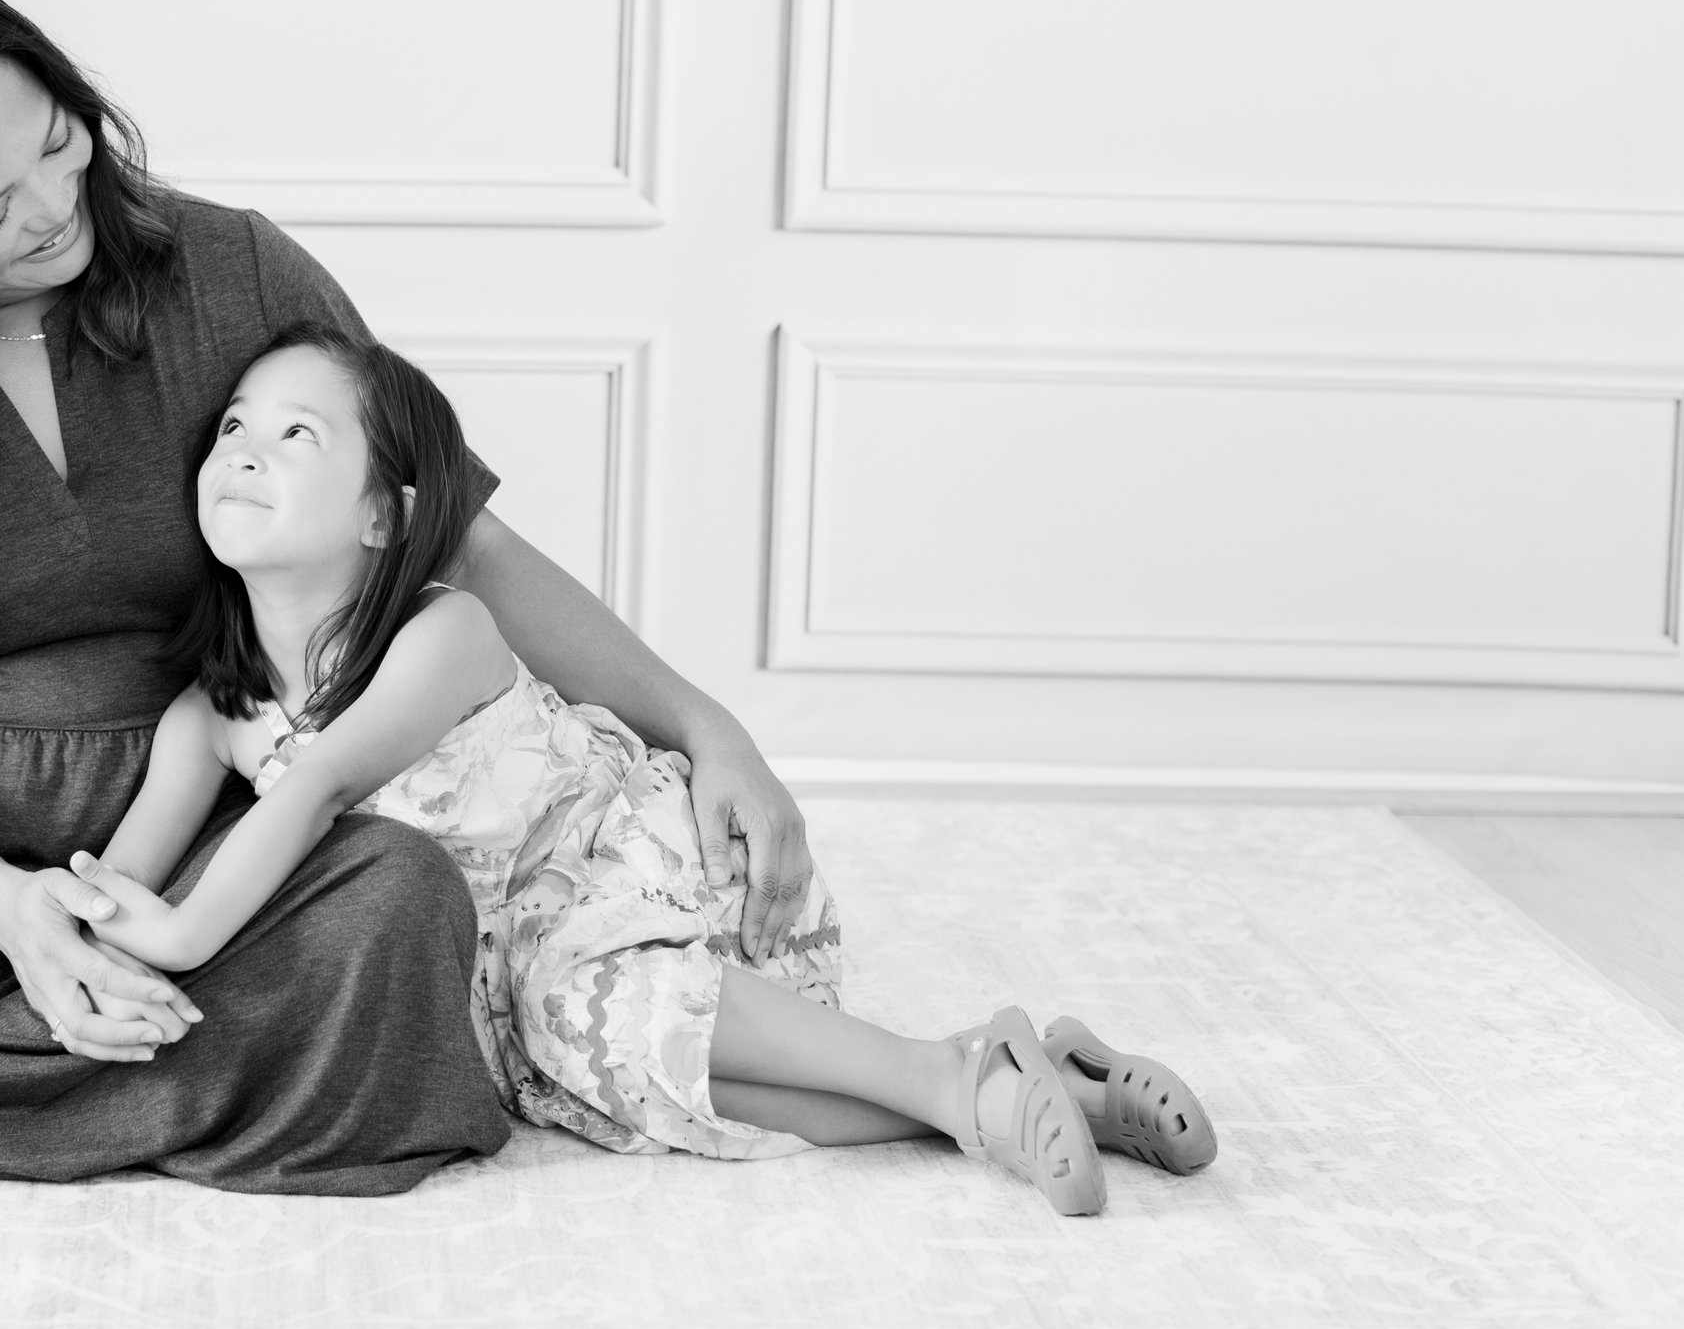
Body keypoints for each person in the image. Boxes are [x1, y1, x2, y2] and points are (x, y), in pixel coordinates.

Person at [0, 0, 826, 1212]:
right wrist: (16, 911)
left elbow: (446, 533)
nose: (50, 206)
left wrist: (703, 722)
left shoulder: (229, 271)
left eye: (55, 143)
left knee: (399, 904)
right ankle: (118, 1075)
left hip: (210, 844)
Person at [67, 324, 1220, 1217]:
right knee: (662, 1086)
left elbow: (317, 784)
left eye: (296, 436)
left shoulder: (443, 631)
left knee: (601, 1008)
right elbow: (114, 878)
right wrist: (85, 938)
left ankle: (966, 1079)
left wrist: (178, 937)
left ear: (385, 514)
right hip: (525, 975)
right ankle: (1025, 1076)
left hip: (643, 874)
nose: (243, 451)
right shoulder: (207, 714)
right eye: (230, 427)